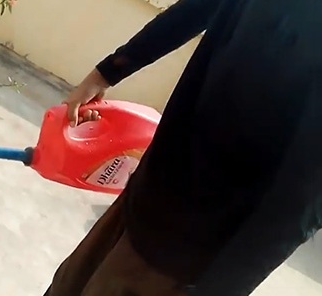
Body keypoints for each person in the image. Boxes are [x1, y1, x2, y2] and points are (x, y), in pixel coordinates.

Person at [44, 0, 322, 295]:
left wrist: (221, 287)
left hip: (188, 250)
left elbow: (302, 203)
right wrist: (109, 70)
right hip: (150, 190)